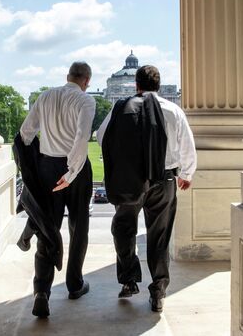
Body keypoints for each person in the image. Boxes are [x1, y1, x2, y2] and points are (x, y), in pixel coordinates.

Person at [97, 65, 196, 313]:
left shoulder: (121, 108)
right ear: (159, 86)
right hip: (165, 180)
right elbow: (187, 145)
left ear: (136, 86)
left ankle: (129, 280)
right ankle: (159, 289)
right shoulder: (173, 109)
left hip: (130, 178)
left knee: (123, 229)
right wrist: (186, 174)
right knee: (159, 236)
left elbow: (100, 135)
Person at [19, 61, 96, 318]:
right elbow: (81, 139)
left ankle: (42, 291)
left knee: (47, 228)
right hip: (75, 169)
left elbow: (26, 133)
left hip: (47, 167)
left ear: (68, 76)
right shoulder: (86, 101)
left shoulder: (46, 95)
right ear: (86, 81)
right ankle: (74, 284)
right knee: (79, 226)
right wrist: (71, 172)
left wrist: (37, 162)